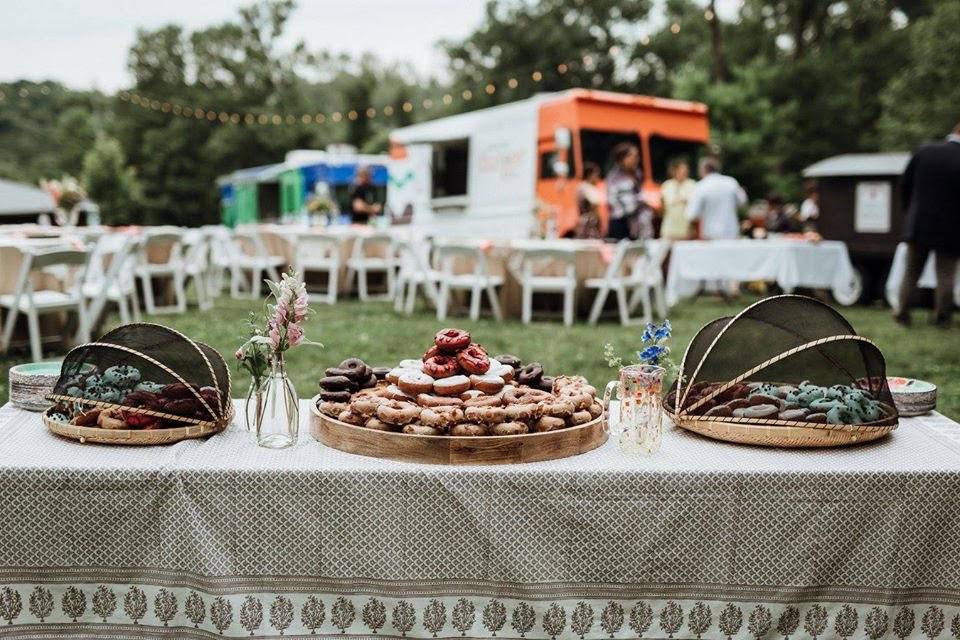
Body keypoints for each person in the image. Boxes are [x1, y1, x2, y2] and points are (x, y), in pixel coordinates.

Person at [894, 122, 960, 327]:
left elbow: (905, 185)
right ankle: (942, 319)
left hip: (919, 222)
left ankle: (902, 313)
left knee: (911, 271)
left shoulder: (925, 150)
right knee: (946, 274)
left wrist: (910, 212)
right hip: (951, 227)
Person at [686, 156, 747, 239]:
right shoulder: (731, 182)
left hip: (710, 233)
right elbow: (743, 202)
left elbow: (692, 214)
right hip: (731, 232)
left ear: (703, 170)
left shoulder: (700, 186)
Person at [605, 142, 652, 240]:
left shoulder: (638, 175)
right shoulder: (614, 178)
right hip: (621, 223)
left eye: (637, 156)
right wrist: (638, 204)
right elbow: (613, 203)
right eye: (632, 156)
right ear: (622, 159)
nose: (635, 159)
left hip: (638, 225)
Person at [660, 158, 697, 240]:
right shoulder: (666, 185)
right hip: (668, 229)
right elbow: (662, 207)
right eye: (682, 169)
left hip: (686, 229)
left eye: (686, 169)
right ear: (674, 170)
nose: (685, 171)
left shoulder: (693, 184)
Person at [573, 162, 603, 239]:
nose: (597, 177)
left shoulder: (591, 187)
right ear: (589, 174)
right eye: (596, 175)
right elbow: (594, 203)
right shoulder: (584, 187)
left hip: (592, 222)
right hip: (587, 223)